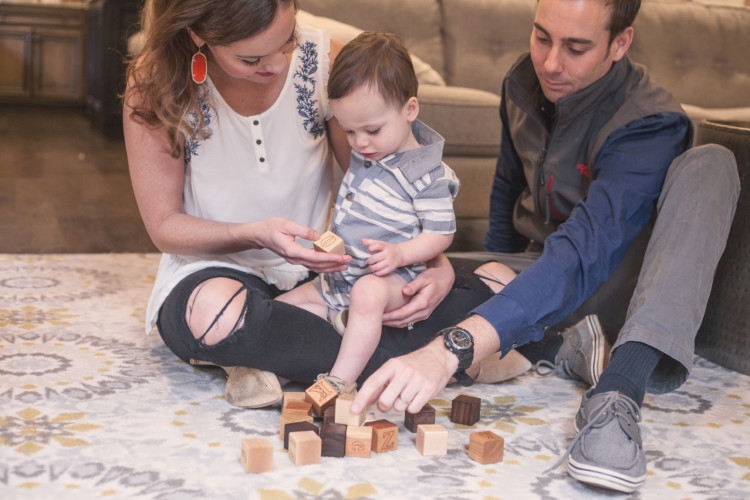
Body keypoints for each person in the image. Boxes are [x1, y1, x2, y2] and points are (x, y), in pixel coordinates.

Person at [351, 0, 739, 494]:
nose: (551, 63)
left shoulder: (649, 122)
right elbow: (507, 193)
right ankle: (560, 344)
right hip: (538, 266)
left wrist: (457, 345)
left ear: (620, 43)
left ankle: (619, 389)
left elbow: (581, 256)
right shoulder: (523, 82)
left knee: (712, 162)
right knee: (385, 287)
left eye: (576, 48)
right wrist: (470, 278)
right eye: (542, 38)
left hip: (613, 280)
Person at [122, 0, 514, 411]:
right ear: (197, 34)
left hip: (325, 271)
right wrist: (254, 233)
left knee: (499, 281)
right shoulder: (153, 82)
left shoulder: (326, 61)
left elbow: (385, 189)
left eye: (288, 40)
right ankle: (442, 356)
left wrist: (437, 266)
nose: (277, 64)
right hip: (216, 272)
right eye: (252, 58)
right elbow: (165, 225)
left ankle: (273, 359)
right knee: (212, 314)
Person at [276, 32, 461, 394]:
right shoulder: (370, 150)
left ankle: (339, 381)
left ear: (410, 110)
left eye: (372, 130)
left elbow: (442, 234)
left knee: (367, 294)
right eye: (349, 131)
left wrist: (401, 254)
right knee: (282, 307)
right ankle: (291, 348)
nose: (359, 143)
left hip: (392, 278)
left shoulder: (428, 175)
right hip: (341, 277)